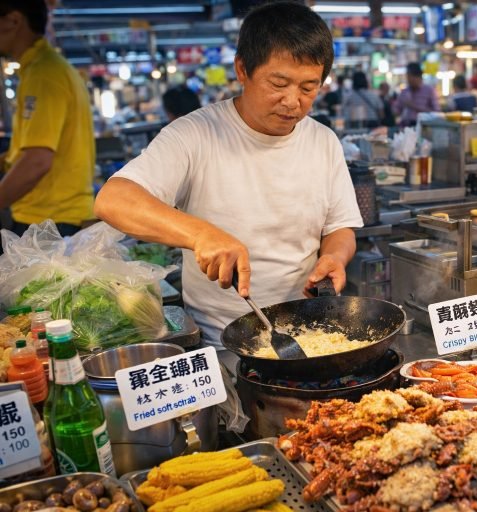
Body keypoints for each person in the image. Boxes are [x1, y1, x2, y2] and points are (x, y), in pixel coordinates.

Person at [94, 1, 363, 372]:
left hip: (310, 334)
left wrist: (335, 256)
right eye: (278, 83)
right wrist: (199, 233)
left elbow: (340, 226)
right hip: (221, 343)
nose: (293, 102)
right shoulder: (195, 134)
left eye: (308, 87)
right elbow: (113, 199)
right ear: (242, 69)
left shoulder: (323, 141)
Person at [0, 0, 94, 237]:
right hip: (55, 219)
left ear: (13, 20)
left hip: (49, 223)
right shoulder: (45, 69)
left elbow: (37, 161)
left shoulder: (43, 74)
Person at [393, 62, 439, 127]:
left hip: (424, 127)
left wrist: (413, 106)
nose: (408, 80)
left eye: (410, 77)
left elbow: (436, 113)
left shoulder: (429, 90)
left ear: (418, 77)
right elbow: (396, 111)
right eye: (407, 77)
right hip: (405, 126)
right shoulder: (404, 91)